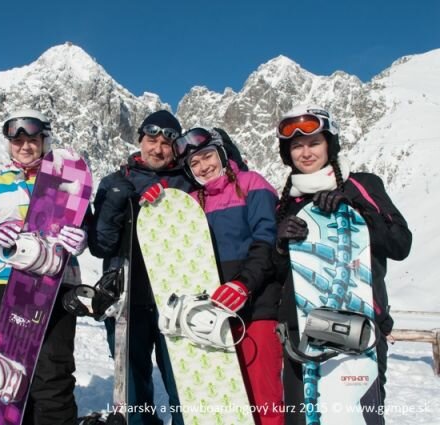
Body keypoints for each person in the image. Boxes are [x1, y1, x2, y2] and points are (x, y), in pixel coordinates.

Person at [273, 105, 412, 423]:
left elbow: (400, 244)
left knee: (356, 417)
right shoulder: (288, 203)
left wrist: (357, 215)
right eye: (297, 146)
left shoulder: (361, 185)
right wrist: (280, 247)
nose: (306, 153)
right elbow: (281, 276)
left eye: (314, 143)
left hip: (359, 327)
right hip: (301, 330)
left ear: (329, 145)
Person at [0, 109, 87, 425]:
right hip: (5, 280)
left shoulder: (69, 181)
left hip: (57, 281)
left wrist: (81, 240)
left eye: (32, 140)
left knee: (53, 367)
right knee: (13, 366)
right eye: (17, 141)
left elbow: (82, 226)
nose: (25, 146)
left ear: (44, 140)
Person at [173, 127, 284, 425]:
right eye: (194, 163)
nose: (203, 167)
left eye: (207, 156)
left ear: (222, 154)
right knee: (226, 399)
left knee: (263, 395)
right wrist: (161, 205)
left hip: (258, 306)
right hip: (213, 312)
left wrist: (243, 284)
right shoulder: (191, 201)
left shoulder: (251, 184)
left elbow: (267, 241)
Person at [88, 110, 192, 425]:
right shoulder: (114, 181)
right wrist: (114, 204)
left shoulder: (188, 182)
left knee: (184, 385)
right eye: (151, 140)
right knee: (132, 389)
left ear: (176, 148)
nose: (157, 149)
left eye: (165, 143)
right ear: (140, 140)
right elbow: (100, 246)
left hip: (175, 301)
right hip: (126, 299)